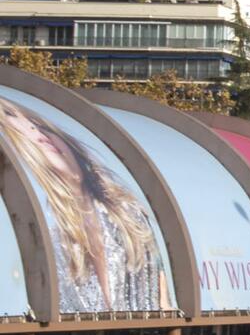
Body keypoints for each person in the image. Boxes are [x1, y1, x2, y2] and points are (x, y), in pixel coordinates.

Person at [0, 95, 172, 314]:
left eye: (41, 126)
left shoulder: (128, 215)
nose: (35, 130)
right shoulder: (37, 229)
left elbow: (162, 303)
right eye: (11, 115)